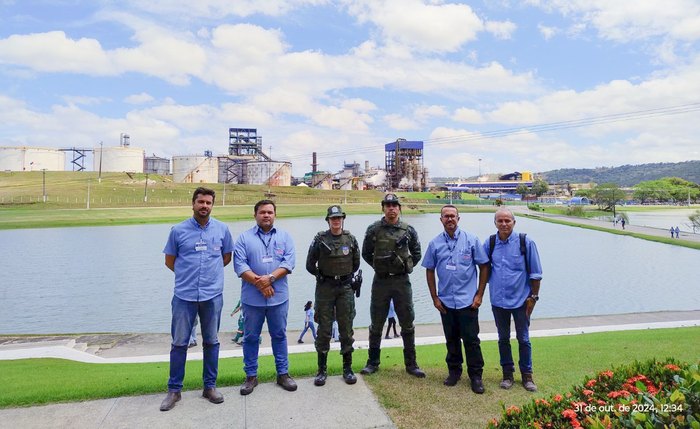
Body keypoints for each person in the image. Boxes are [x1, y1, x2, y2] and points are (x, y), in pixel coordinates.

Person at [159, 187, 234, 411]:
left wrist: (209, 278)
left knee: (211, 342)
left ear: (212, 205)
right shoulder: (178, 230)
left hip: (212, 295)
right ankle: (174, 390)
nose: (204, 206)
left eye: (208, 203)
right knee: (179, 343)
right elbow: (169, 261)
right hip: (184, 296)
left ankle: (209, 387)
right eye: (200, 202)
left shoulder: (222, 229)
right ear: (193, 204)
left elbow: (226, 257)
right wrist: (188, 276)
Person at [422, 205, 490, 394]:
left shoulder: (471, 240)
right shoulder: (435, 244)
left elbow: (484, 266)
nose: (450, 219)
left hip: (468, 302)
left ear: (458, 219)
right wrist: (434, 298)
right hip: (446, 302)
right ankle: (454, 372)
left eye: (453, 216)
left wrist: (479, 295)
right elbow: (429, 270)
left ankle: (476, 376)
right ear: (441, 219)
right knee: (451, 340)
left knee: (471, 340)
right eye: (446, 216)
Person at [234, 199, 297, 395]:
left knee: (279, 335)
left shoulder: (285, 237)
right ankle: (251, 376)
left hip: (278, 299)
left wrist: (269, 279)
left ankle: (283, 374)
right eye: (262, 212)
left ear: (275, 215)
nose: (266, 215)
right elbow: (240, 265)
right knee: (251, 337)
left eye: (270, 212)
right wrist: (259, 284)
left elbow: (289, 263)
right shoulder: (244, 238)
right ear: (255, 215)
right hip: (252, 300)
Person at [361, 193, 425, 378]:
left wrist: (404, 265)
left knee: (407, 322)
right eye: (388, 205)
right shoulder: (373, 229)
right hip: (381, 281)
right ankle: (372, 362)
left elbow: (417, 253)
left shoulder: (409, 230)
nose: (391, 208)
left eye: (394, 205)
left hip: (401, 281)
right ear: (383, 208)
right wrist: (379, 266)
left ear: (399, 208)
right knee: (376, 322)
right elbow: (366, 253)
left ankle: (411, 364)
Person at [484, 207, 543, 392]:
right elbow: (483, 269)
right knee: (503, 339)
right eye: (500, 221)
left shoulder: (526, 242)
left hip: (521, 301)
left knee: (523, 339)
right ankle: (507, 374)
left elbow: (536, 274)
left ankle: (527, 375)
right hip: (498, 301)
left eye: (507, 221)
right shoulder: (490, 243)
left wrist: (533, 297)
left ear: (514, 222)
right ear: (495, 223)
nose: (504, 224)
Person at [306, 205, 361, 386]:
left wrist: (342, 277)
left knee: (346, 328)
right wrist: (321, 275)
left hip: (345, 287)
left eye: (339, 218)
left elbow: (355, 264)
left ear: (342, 219)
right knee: (324, 329)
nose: (336, 221)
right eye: (333, 218)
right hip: (325, 288)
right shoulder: (320, 239)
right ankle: (321, 370)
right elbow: (309, 264)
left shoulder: (350, 239)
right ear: (328, 220)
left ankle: (347, 368)